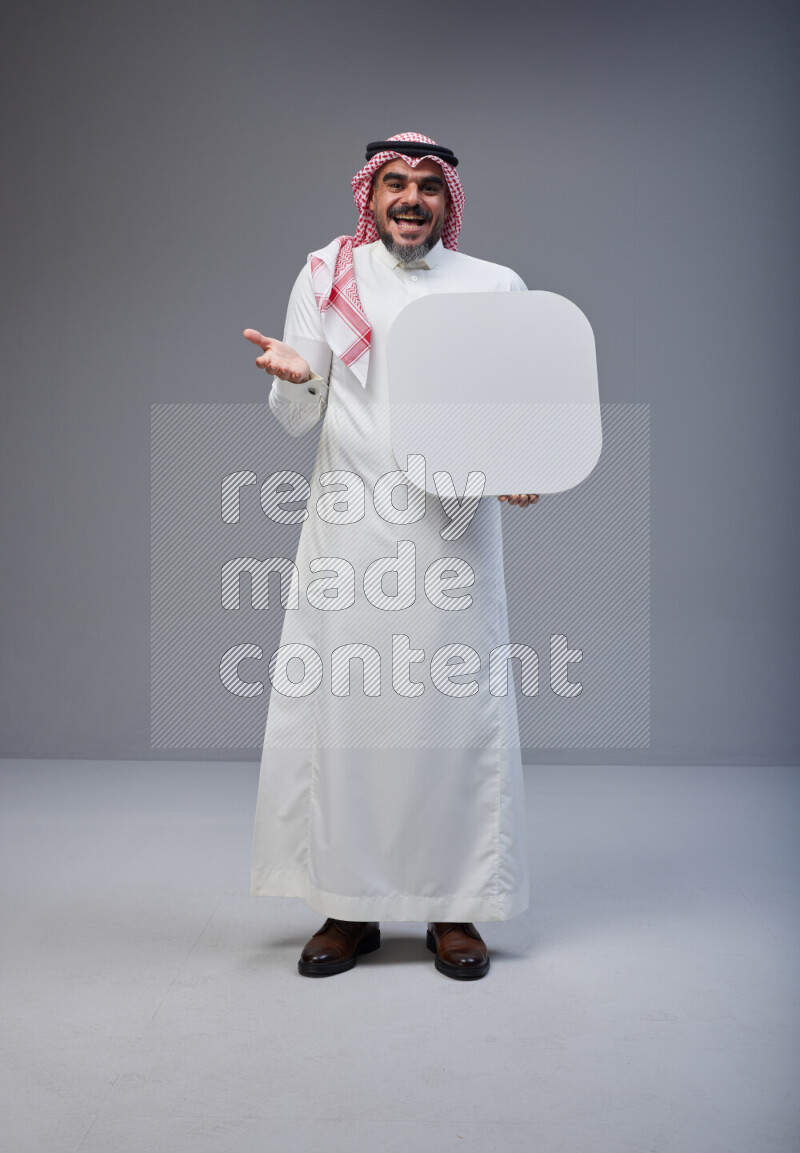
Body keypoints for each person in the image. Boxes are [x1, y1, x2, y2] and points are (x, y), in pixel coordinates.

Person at [244, 132, 539, 981]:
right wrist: (299, 373)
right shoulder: (326, 276)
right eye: (395, 184)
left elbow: (516, 409)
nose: (411, 199)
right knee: (350, 718)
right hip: (351, 532)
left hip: (451, 537)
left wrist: (521, 464)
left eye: (428, 187)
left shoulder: (495, 286)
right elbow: (299, 414)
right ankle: (350, 906)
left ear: (448, 201)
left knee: (453, 715)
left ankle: (456, 910)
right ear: (369, 196)